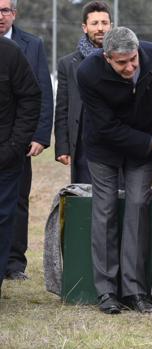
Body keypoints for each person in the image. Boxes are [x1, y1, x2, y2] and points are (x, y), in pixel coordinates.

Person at [77, 27, 152, 314]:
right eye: (121, 63)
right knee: (105, 211)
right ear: (106, 58)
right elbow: (106, 128)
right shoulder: (87, 72)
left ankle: (135, 290)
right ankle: (106, 290)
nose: (130, 67)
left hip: (142, 150)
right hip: (104, 148)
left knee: (137, 207)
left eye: (133, 59)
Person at [1, 0, 53, 281]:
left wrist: (39, 135)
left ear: (14, 14)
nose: (0, 16)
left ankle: (14, 261)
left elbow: (41, 91)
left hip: (18, 141)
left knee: (17, 200)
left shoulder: (31, 44)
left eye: (5, 10)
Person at [54, 1, 112, 184]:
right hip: (84, 145)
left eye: (104, 23)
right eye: (95, 23)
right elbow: (63, 107)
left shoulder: (126, 58)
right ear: (84, 27)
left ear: (112, 26)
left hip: (117, 141)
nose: (100, 28)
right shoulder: (67, 64)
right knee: (85, 198)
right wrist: (62, 147)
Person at [0, 37, 41, 297]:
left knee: (3, 220)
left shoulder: (10, 54)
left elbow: (31, 98)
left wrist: (14, 146)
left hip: (5, 157)